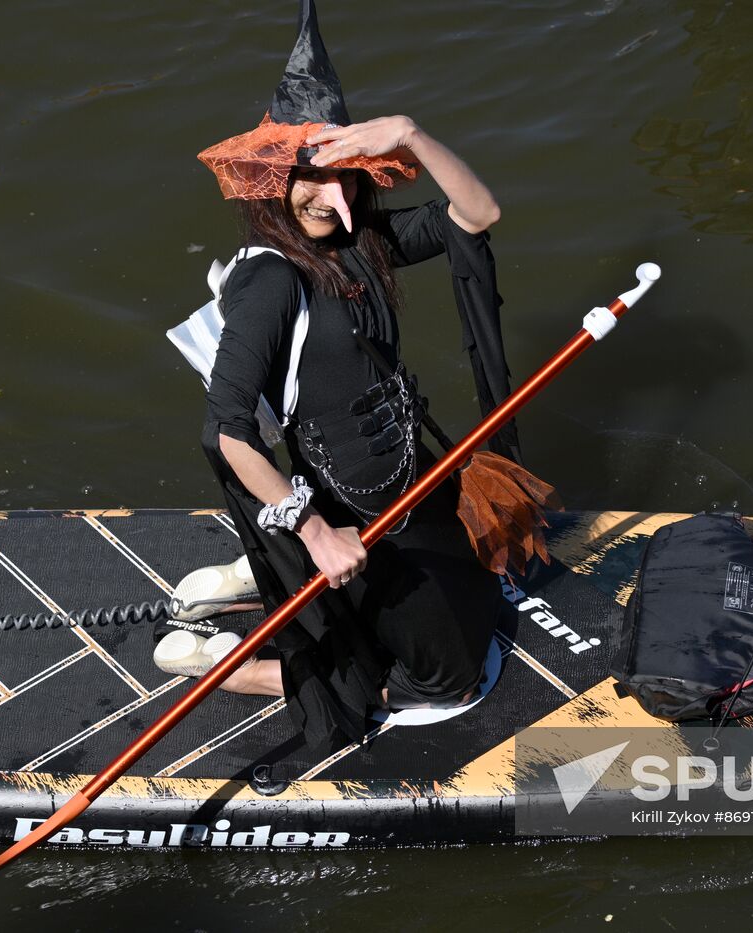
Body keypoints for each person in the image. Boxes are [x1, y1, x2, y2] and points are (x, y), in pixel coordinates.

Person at [160, 1, 521, 753]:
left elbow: (478, 212)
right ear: (275, 181)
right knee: (447, 678)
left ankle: (263, 576)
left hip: (413, 478)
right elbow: (225, 430)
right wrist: (317, 531)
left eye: (348, 179)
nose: (334, 199)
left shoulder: (364, 237)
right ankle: (233, 665)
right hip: (337, 507)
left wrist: (411, 134)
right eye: (313, 182)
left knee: (487, 598)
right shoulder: (269, 283)